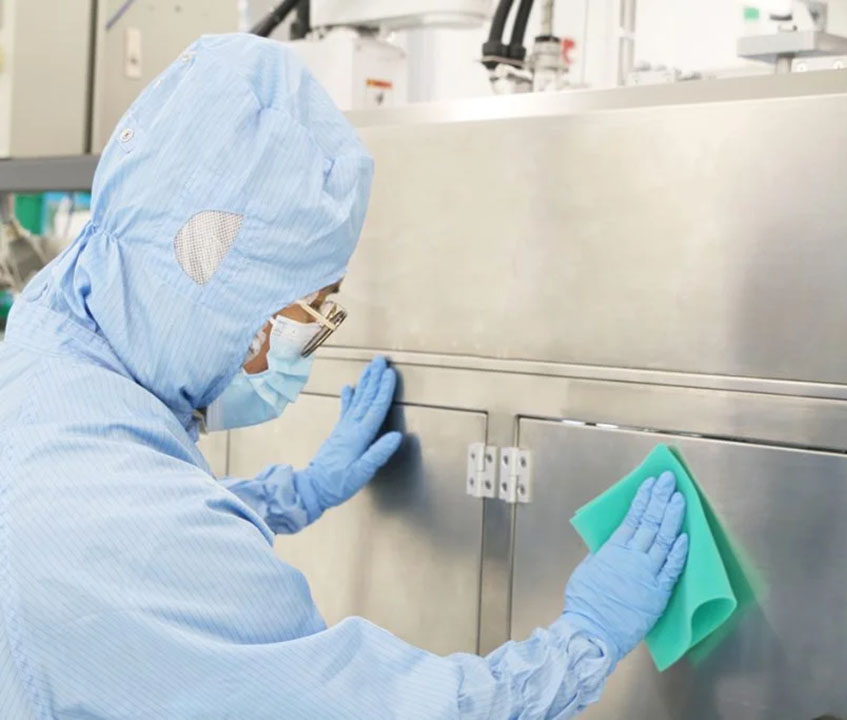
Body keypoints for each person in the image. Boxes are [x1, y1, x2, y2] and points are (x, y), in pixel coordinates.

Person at [0, 34, 688, 718]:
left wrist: (290, 495)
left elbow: (122, 513)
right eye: (315, 309)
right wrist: (584, 642)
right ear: (228, 303)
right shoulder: (141, 546)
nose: (313, 338)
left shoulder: (51, 337)